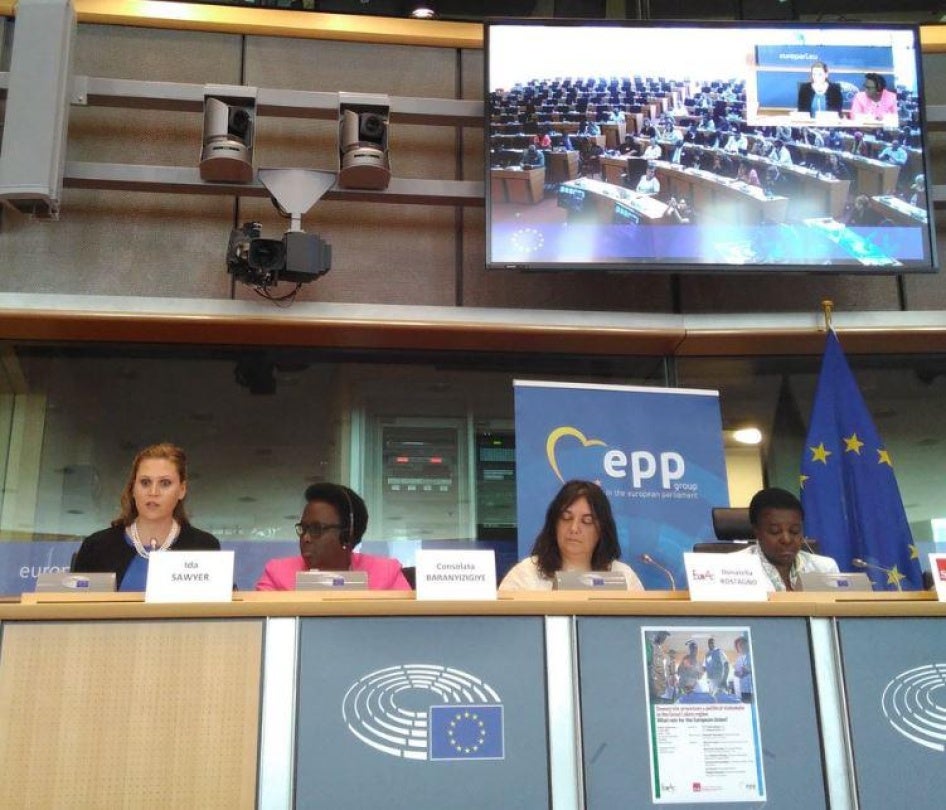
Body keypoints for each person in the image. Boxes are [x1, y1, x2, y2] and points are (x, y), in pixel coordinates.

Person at [73, 443, 220, 591]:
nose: (153, 492)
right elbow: (75, 601)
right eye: (145, 482)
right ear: (133, 488)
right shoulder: (97, 547)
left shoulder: (204, 546)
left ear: (182, 490)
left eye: (165, 483)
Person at [256, 482, 410, 590]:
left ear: (347, 536)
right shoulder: (277, 574)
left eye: (316, 529)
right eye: (303, 529)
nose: (305, 538)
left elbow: (407, 623)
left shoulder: (386, 573)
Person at [499, 479, 644, 590]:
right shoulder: (525, 574)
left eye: (587, 521)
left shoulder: (624, 576)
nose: (574, 528)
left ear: (602, 529)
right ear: (554, 523)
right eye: (566, 518)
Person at [735, 487, 839, 591]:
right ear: (756, 531)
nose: (786, 540)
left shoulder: (824, 568)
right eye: (775, 531)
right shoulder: (735, 569)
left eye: (794, 531)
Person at [733, 636, 753, 703]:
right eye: (740, 645)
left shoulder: (752, 655)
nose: (742, 646)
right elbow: (738, 673)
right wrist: (738, 673)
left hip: (752, 689)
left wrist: (747, 670)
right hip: (743, 690)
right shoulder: (738, 659)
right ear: (737, 648)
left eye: (743, 644)